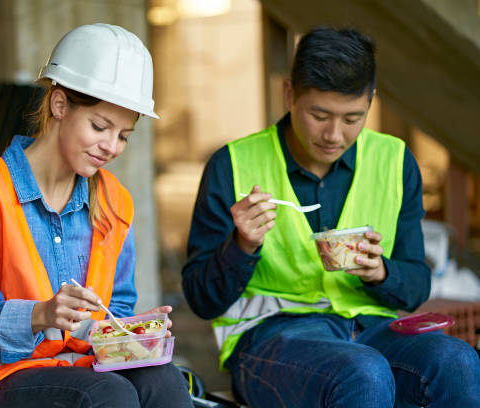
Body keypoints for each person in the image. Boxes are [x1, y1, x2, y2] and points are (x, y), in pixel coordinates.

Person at [182, 26, 480, 407]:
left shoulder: (394, 161)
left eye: (353, 118)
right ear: (289, 94)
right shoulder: (233, 165)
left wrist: (382, 273)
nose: (334, 135)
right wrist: (241, 246)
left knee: (457, 361)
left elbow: (418, 284)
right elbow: (201, 299)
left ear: (370, 101)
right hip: (271, 338)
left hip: (369, 329)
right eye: (319, 115)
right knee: (362, 372)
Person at [0, 23, 193, 408]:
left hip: (74, 364)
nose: (111, 146)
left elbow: (113, 311)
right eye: (100, 126)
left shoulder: (114, 201)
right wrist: (39, 315)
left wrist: (130, 330)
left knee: (164, 381)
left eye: (124, 135)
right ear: (59, 105)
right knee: (106, 396)